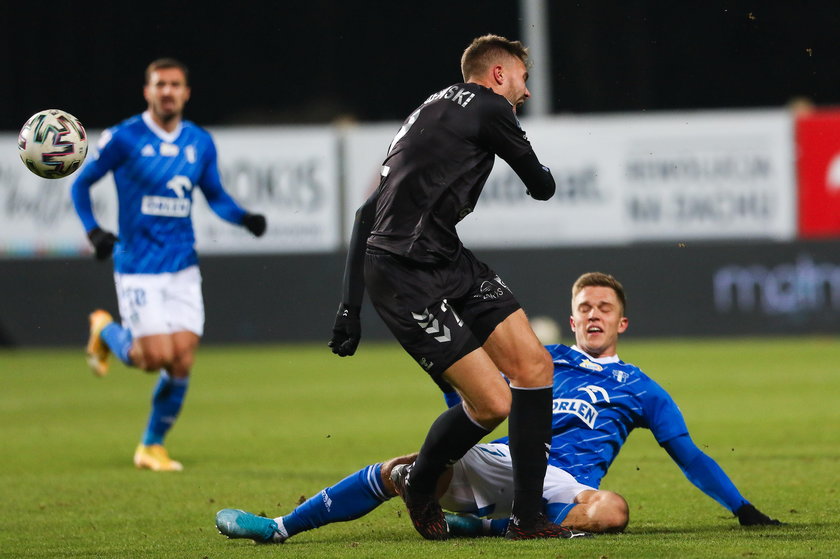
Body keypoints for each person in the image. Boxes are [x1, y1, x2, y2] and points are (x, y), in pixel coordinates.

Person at [217, 272, 780, 543]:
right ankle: (279, 527)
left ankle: (487, 528)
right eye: (583, 306)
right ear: (573, 315)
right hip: (504, 459)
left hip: (565, 485)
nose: (592, 314)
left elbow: (686, 453)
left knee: (613, 512)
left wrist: (741, 507)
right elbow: (472, 382)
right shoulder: (542, 357)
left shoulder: (641, 388)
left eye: (604, 308)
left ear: (622, 322)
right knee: (406, 474)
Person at [328, 34, 561, 540]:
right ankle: (420, 483)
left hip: (445, 257)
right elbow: (540, 184)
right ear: (498, 74)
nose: (525, 90)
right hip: (402, 273)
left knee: (534, 365)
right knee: (493, 403)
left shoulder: (430, 109)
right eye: (522, 77)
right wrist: (544, 176)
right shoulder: (491, 107)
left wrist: (348, 307)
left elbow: (367, 211)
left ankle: (527, 519)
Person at [71, 58, 267, 472]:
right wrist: (94, 231)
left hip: (182, 264)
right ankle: (104, 329)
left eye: (175, 85)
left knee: (182, 359)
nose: (167, 91)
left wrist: (243, 218)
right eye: (160, 84)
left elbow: (214, 194)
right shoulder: (124, 137)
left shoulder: (199, 141)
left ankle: (151, 446)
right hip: (138, 265)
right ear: (147, 91)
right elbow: (81, 183)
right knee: (152, 359)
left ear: (186, 92)